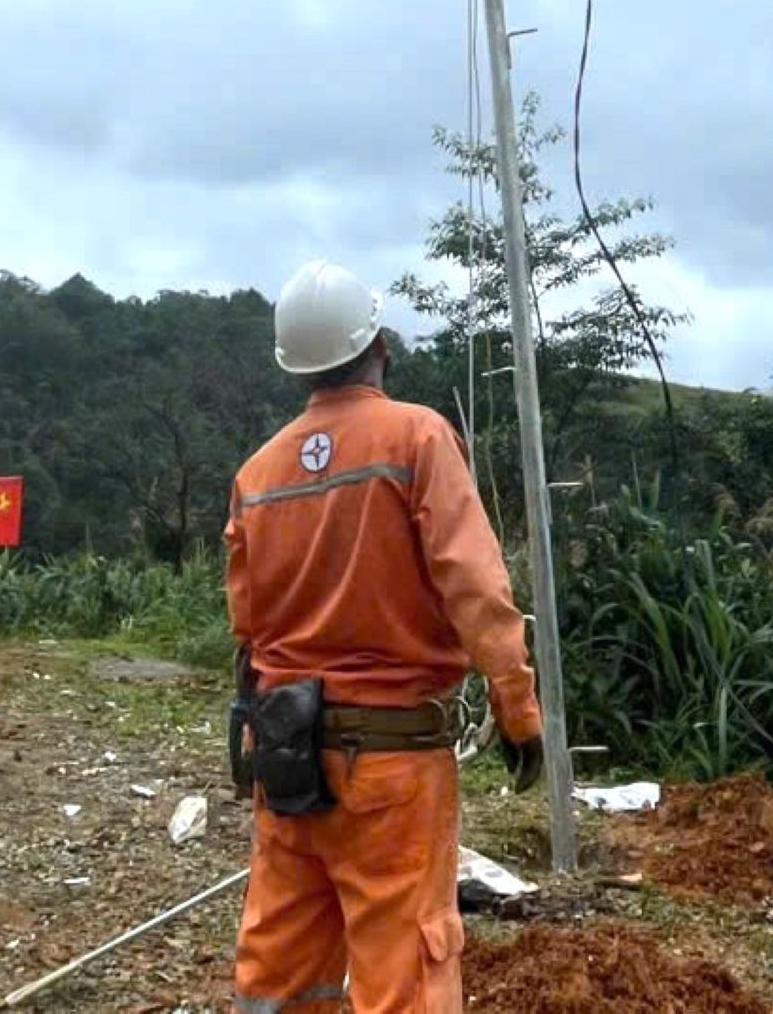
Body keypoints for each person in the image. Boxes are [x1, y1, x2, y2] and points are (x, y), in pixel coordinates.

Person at [225, 260, 546, 1013]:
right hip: (393, 767)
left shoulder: (257, 473)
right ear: (380, 346)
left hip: (287, 757)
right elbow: (475, 585)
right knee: (404, 966)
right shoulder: (416, 437)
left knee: (281, 967)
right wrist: (518, 710)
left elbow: (247, 623)